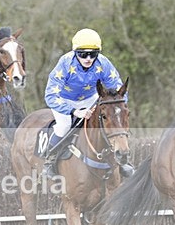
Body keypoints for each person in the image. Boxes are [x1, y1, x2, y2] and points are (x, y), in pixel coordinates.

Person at [42, 28, 130, 179]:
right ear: (75, 53)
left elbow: (118, 89)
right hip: (64, 100)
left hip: (91, 99)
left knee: (113, 123)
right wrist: (73, 111)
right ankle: (49, 162)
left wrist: (118, 108)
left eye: (93, 54)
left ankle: (122, 161)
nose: (88, 58)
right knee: (64, 126)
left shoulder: (103, 63)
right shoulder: (65, 63)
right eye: (83, 54)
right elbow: (50, 95)